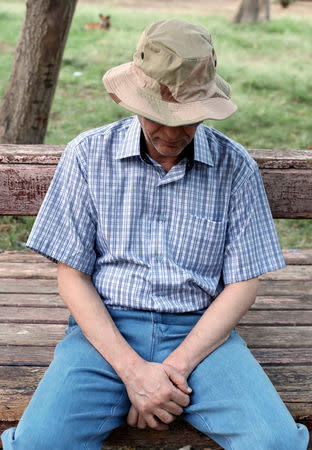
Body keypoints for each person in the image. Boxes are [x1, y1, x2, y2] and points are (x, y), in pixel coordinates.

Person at [1, 18, 309, 450]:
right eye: (156, 117)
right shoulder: (88, 156)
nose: (169, 134)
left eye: (186, 120)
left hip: (200, 335)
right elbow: (72, 276)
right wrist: (133, 371)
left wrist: (174, 369)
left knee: (276, 443)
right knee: (38, 443)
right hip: (106, 332)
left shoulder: (235, 169)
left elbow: (243, 285)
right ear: (134, 102)